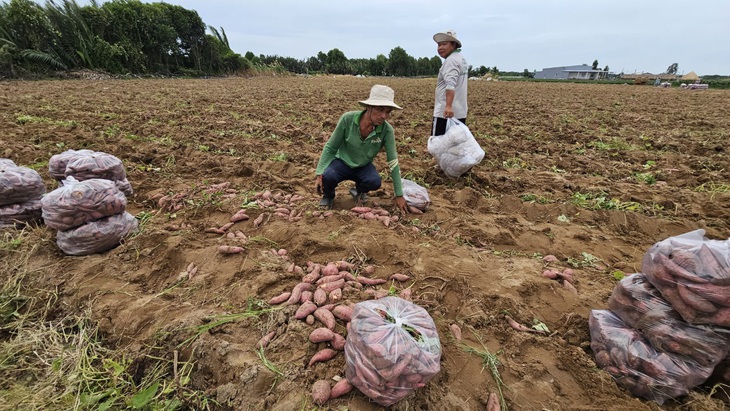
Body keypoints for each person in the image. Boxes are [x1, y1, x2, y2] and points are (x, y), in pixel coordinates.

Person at [314, 84, 409, 214]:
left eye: (388, 112)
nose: (384, 116)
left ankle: (358, 191)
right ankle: (328, 196)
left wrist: (399, 194)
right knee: (328, 176)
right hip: (341, 162)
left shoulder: (387, 131)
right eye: (380, 110)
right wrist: (319, 174)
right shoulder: (348, 119)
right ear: (368, 107)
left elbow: (393, 162)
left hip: (363, 166)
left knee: (374, 181)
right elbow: (331, 147)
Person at [432, 29, 468, 136]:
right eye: (439, 45)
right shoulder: (461, 58)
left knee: (437, 145)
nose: (440, 48)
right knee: (454, 145)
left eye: (444, 44)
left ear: (453, 45)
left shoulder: (451, 60)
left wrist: (448, 106)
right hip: (460, 111)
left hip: (445, 113)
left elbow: (450, 85)